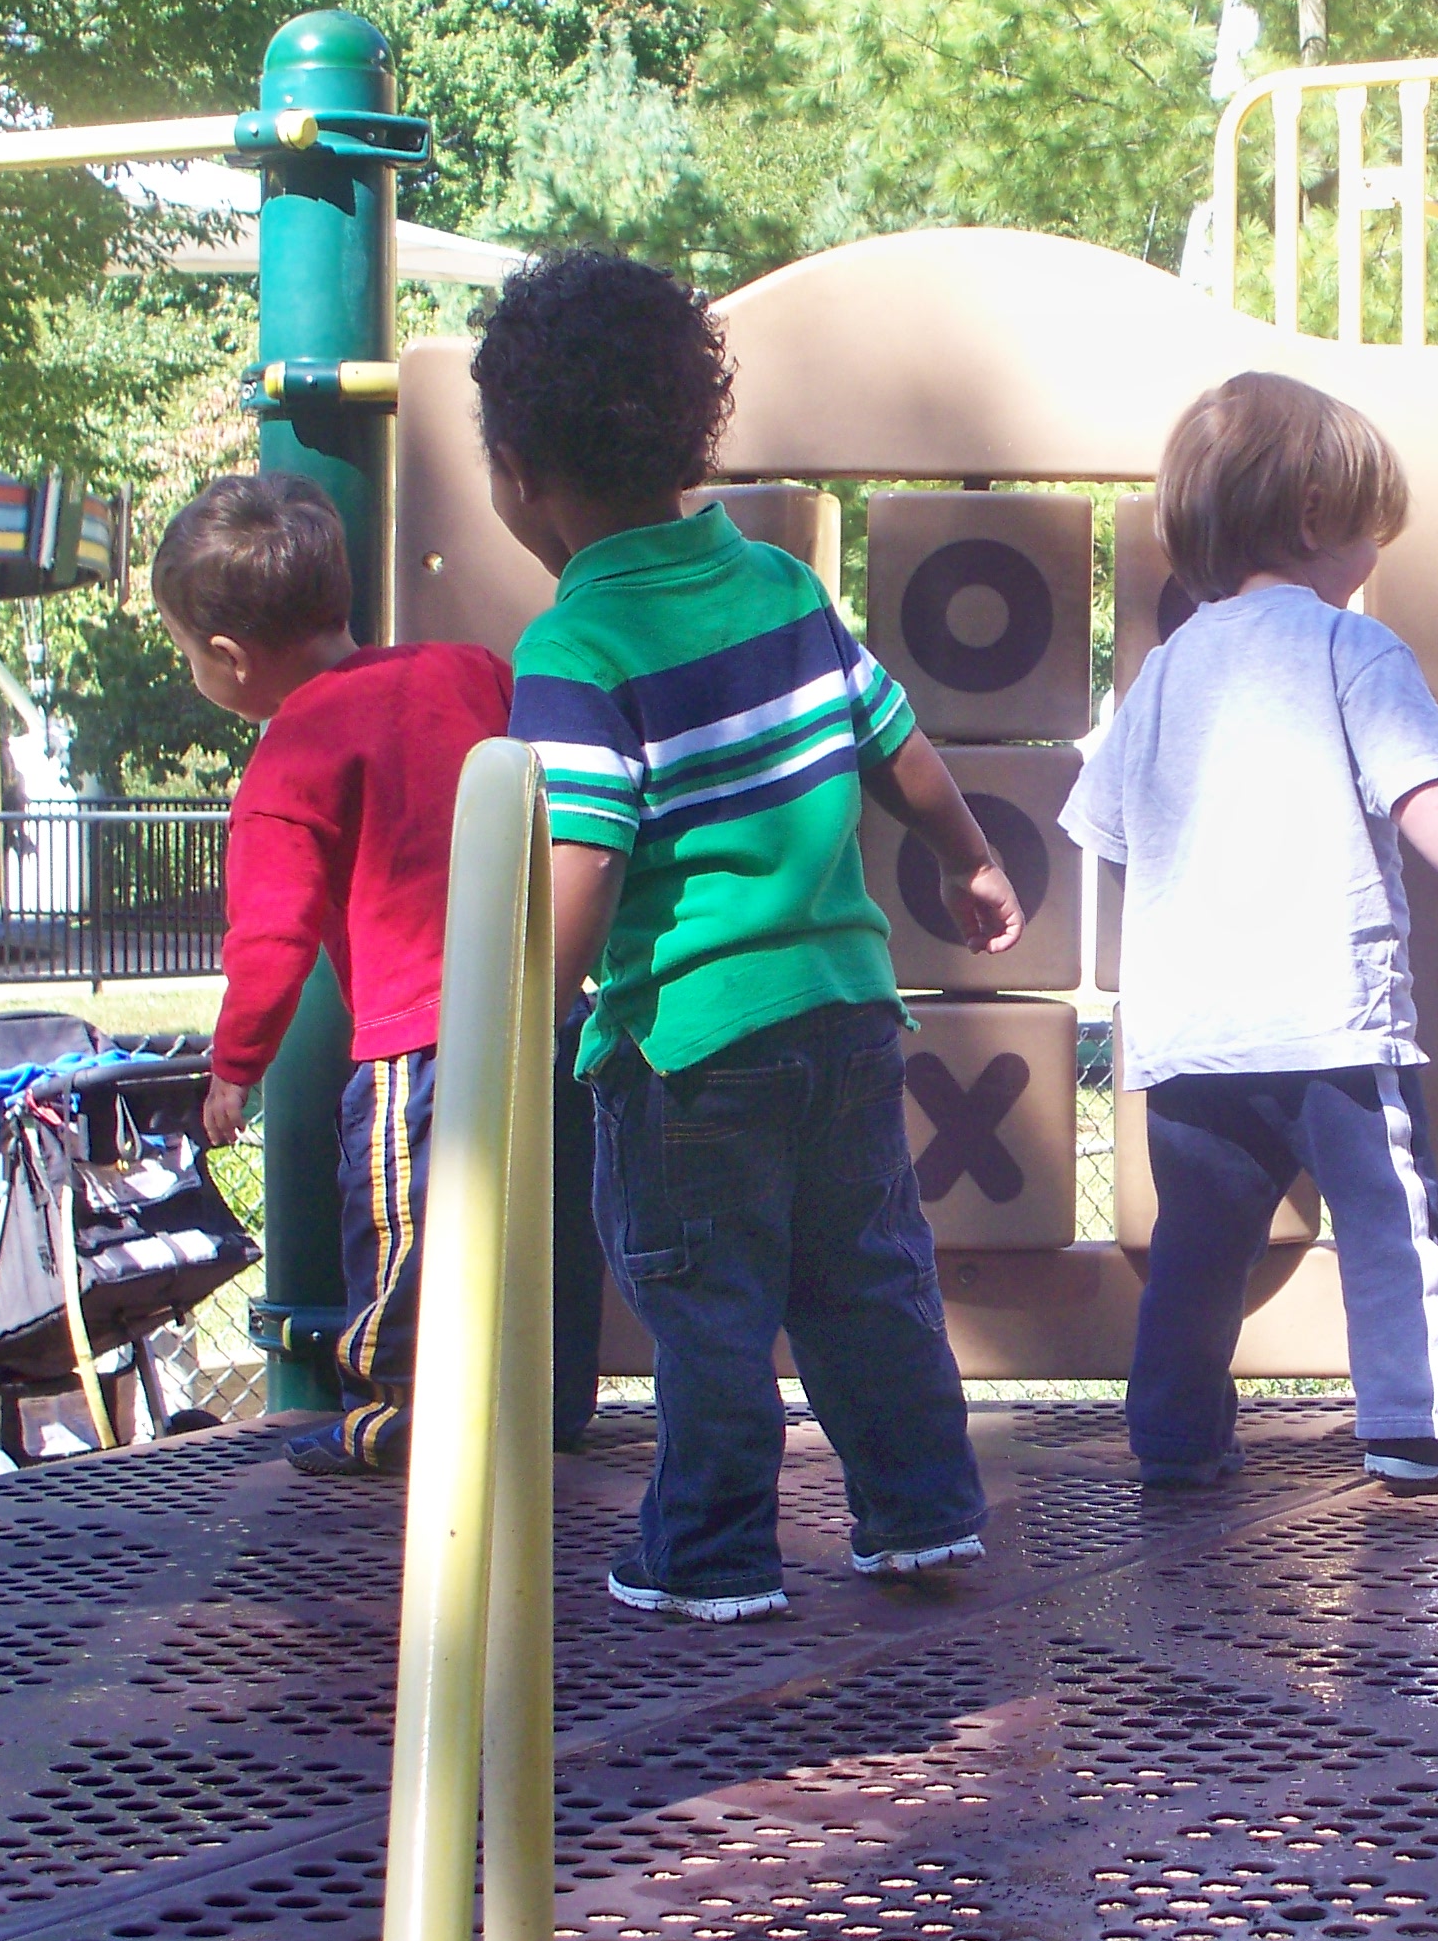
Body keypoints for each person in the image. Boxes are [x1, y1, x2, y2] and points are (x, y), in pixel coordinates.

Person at [498, 249, 1022, 1622]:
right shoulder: (784, 590)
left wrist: (528, 1020)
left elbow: (587, 854)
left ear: (517, 475)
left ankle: (711, 1557)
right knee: (866, 1277)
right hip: (844, 1010)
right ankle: (920, 1516)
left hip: (687, 1042)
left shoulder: (576, 648)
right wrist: (968, 858)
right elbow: (894, 744)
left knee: (706, 1303)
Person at [1063, 371, 1438, 1491]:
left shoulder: (1159, 678)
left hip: (1191, 1039)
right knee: (1390, 1230)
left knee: (1196, 1253)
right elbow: (1418, 788)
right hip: (1330, 1024)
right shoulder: (1348, 650)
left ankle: (1173, 1436)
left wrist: (1128, 969)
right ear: (1309, 520)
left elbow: (1101, 832)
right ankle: (1416, 1429)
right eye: (1367, 533)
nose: (1372, 559)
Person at [157, 470, 515, 1476]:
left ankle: (390, 1411)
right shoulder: (469, 671)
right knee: (531, 1212)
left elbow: (271, 935)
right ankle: (543, 1396)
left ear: (228, 658)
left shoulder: (292, 750)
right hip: (535, 1011)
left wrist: (235, 1067)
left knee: (401, 1223)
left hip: (415, 1031)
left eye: (187, 655)